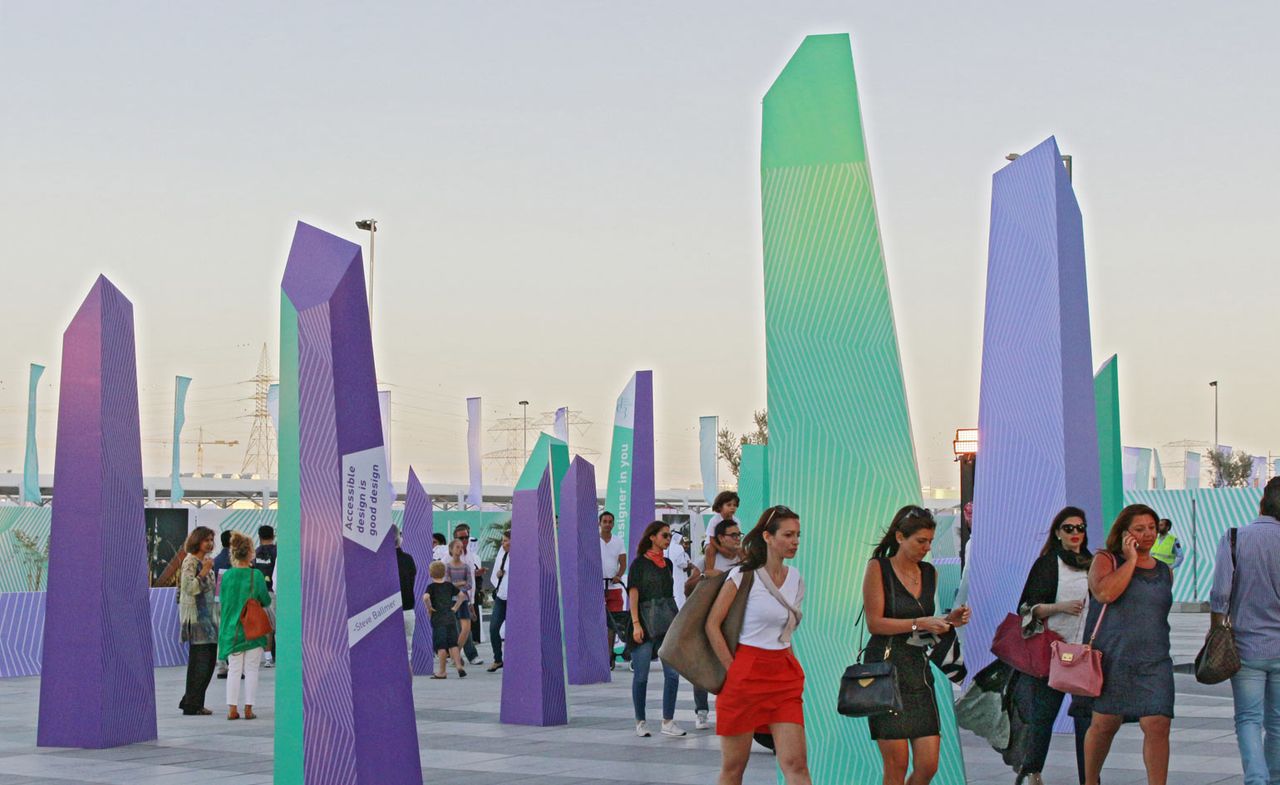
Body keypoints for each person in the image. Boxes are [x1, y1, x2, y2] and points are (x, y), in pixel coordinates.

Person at [862, 506, 971, 785]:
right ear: (900, 537)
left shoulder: (929, 572)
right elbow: (875, 623)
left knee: (928, 765)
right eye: (920, 541)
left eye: (930, 541)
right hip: (885, 669)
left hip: (917, 671)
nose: (926, 547)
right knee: (896, 764)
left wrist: (948, 621)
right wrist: (919, 622)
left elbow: (926, 624)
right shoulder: (878, 568)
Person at [706, 506, 810, 784]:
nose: (795, 541)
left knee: (796, 765)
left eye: (798, 535)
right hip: (745, 673)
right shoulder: (743, 575)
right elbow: (712, 624)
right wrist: (733, 670)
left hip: (783, 676)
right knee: (734, 768)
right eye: (788, 535)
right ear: (767, 536)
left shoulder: (796, 578)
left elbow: (786, 632)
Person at [1081, 504, 1173, 785]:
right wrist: (1131, 560)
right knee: (1105, 724)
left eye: (1151, 528)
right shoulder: (1106, 560)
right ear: (1124, 533)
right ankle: (1091, 779)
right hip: (1114, 658)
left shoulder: (1164, 571)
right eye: (1139, 529)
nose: (1148, 534)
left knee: (1158, 723)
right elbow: (1105, 593)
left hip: (1155, 660)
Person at [1008, 507, 1094, 785]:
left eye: (1080, 528)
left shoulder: (1092, 563)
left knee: (1086, 720)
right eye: (1068, 528)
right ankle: (1031, 773)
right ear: (1057, 533)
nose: (1075, 534)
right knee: (1043, 717)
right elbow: (1025, 608)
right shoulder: (1047, 564)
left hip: (1084, 653)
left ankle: (1090, 778)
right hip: (1052, 652)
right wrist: (1060, 607)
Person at [1212, 476, 1280, 785]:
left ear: (1261, 502)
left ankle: (1256, 779)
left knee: (1249, 719)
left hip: (1246, 648)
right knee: (1278, 722)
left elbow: (1220, 595)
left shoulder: (1235, 538)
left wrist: (1215, 634)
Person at [628, 520, 685, 738]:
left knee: (672, 674)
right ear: (652, 537)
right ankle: (640, 721)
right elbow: (633, 594)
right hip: (643, 621)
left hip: (666, 622)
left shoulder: (668, 564)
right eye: (664, 535)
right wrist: (635, 624)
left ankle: (668, 721)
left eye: (669, 535)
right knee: (641, 675)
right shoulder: (639, 564)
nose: (668, 539)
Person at [685, 517, 743, 730]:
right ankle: (701, 711)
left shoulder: (744, 560)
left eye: (739, 535)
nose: (737, 539)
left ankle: (732, 711)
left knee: (732, 668)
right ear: (720, 538)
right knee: (704, 665)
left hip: (735, 623)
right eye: (733, 535)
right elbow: (688, 588)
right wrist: (704, 578)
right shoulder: (706, 561)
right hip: (710, 621)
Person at [218, 532, 272, 720]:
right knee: (251, 670)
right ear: (250, 553)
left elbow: (223, 602)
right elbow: (265, 600)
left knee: (234, 670)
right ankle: (249, 708)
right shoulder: (255, 575)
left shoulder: (227, 576)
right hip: (252, 630)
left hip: (233, 630)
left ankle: (232, 709)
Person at [178, 526, 218, 716]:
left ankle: (194, 701)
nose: (210, 543)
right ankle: (191, 703)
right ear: (197, 541)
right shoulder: (190, 562)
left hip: (210, 620)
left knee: (209, 663)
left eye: (211, 539)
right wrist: (204, 572)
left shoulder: (206, 561)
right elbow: (189, 588)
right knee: (200, 664)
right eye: (206, 540)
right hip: (197, 620)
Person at [423, 561, 466, 678]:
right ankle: (459, 666)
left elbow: (425, 597)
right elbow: (462, 595)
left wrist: (429, 607)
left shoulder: (431, 587)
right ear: (444, 573)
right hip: (451, 617)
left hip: (438, 619)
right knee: (453, 644)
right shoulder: (449, 585)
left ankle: (442, 671)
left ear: (430, 573)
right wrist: (455, 607)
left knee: (441, 646)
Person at [600, 511, 630, 669]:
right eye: (604, 521)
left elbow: (623, 563)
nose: (607, 524)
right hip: (597, 588)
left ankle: (609, 656)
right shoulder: (594, 540)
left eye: (610, 521)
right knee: (598, 623)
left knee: (613, 623)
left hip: (614, 587)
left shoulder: (618, 541)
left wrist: (618, 575)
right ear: (600, 523)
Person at [454, 523, 485, 665]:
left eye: (467, 537)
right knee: (458, 628)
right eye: (462, 538)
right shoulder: (448, 555)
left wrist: (472, 601)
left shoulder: (470, 555)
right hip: (451, 598)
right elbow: (441, 575)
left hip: (466, 597)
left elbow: (471, 578)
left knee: (465, 628)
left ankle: (469, 655)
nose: (465, 541)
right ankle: (457, 656)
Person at [445, 539, 475, 662]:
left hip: (464, 601)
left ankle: (455, 655)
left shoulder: (465, 567)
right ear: (451, 549)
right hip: (451, 601)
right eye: (457, 547)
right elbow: (447, 584)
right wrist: (460, 584)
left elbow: (469, 584)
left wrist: (457, 584)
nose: (460, 549)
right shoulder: (447, 567)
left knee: (466, 628)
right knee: (453, 630)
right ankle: (455, 657)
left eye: (461, 547)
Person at [253, 525, 277, 668]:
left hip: (260, 594)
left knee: (267, 626)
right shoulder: (278, 552)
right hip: (276, 592)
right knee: (278, 626)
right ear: (273, 536)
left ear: (259, 537)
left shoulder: (255, 553)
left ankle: (268, 658)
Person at [487, 530, 510, 672]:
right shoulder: (504, 555)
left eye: (505, 540)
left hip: (517, 599)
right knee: (494, 627)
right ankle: (497, 659)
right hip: (502, 597)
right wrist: (498, 574)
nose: (503, 543)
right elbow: (498, 573)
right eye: (502, 541)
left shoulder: (523, 556)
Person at [393, 526, 417, 665]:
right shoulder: (408, 559)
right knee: (407, 655)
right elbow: (412, 578)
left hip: (386, 611)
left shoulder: (381, 560)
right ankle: (407, 686)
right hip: (407, 609)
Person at [212, 529, 233, 679]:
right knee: (233, 632)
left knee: (221, 633)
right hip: (232, 601)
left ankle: (221, 665)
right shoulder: (235, 560)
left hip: (218, 600)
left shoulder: (216, 560)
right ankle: (233, 664)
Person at [704, 491, 741, 574]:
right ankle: (709, 569)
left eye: (734, 505)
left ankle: (746, 567)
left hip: (728, 543)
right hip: (714, 543)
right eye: (729, 505)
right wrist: (721, 549)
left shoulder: (736, 521)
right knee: (710, 549)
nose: (732, 508)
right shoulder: (714, 520)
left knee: (741, 550)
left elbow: (738, 536)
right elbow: (711, 538)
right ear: (720, 506)